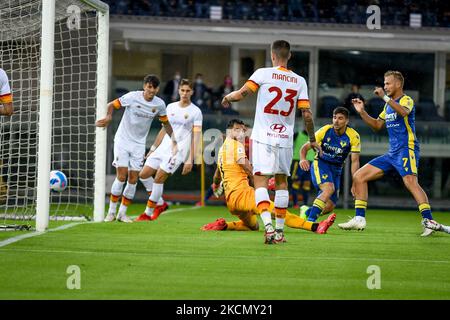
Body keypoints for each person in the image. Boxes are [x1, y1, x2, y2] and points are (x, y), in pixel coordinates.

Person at [222, 39, 321, 244]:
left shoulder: (262, 73)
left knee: (260, 183)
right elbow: (308, 116)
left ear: (272, 55)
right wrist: (312, 139)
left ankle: (267, 227)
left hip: (263, 137)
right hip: (285, 139)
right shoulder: (299, 81)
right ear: (290, 55)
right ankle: (279, 232)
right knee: (282, 183)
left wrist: (227, 98)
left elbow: (241, 95)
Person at [338, 70, 447, 237]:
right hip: (392, 152)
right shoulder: (387, 105)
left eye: (388, 83)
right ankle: (359, 218)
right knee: (359, 176)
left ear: (398, 84)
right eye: (384, 83)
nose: (385, 86)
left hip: (406, 148)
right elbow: (376, 125)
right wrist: (361, 111)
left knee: (411, 182)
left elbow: (403, 112)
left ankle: (429, 221)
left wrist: (384, 97)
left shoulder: (406, 100)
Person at [201, 119, 335, 234]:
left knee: (253, 226)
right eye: (237, 129)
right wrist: (262, 184)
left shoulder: (222, 150)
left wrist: (216, 185)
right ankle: (316, 227)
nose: (241, 133)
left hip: (231, 201)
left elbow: (217, 175)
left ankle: (224, 225)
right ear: (230, 131)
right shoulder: (236, 146)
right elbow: (247, 167)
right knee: (281, 212)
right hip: (243, 195)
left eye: (242, 130)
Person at [96, 74, 174, 223]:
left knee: (133, 179)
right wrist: (108, 117)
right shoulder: (132, 97)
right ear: (145, 86)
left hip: (139, 144)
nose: (151, 90)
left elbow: (165, 123)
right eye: (149, 87)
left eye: (154, 88)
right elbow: (111, 104)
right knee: (121, 176)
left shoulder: (159, 104)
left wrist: (175, 141)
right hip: (123, 140)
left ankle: (122, 214)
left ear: (157, 89)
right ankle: (111, 212)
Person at [135, 78, 202, 221]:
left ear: (192, 92)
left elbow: (196, 137)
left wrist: (190, 160)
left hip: (179, 151)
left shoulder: (196, 112)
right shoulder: (170, 107)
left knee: (159, 178)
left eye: (187, 91)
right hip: (163, 147)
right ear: (178, 91)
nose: (184, 93)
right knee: (143, 175)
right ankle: (160, 203)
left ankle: (147, 213)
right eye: (182, 90)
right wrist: (153, 148)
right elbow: (163, 130)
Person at [299, 107, 361, 222]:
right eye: (334, 117)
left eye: (340, 118)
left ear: (347, 121)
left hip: (336, 169)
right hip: (321, 164)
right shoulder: (325, 130)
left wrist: (355, 182)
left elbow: (355, 161)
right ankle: (310, 222)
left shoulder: (353, 136)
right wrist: (302, 159)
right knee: (328, 189)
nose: (336, 121)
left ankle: (307, 212)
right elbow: (305, 147)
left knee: (329, 207)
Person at [291, 129, 314, 208]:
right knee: (296, 183)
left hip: (310, 162)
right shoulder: (297, 134)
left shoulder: (315, 137)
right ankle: (295, 204)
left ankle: (305, 204)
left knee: (307, 184)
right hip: (298, 161)